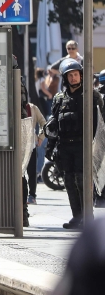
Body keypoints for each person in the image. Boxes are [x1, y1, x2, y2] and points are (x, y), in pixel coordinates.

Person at [48, 58, 104, 229]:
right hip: (65, 146)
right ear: (65, 79)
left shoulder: (91, 95)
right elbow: (54, 124)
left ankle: (88, 218)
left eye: (76, 75)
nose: (74, 78)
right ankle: (76, 217)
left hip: (84, 146)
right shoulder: (59, 98)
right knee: (69, 181)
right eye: (70, 76)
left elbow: (102, 122)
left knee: (82, 180)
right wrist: (50, 147)